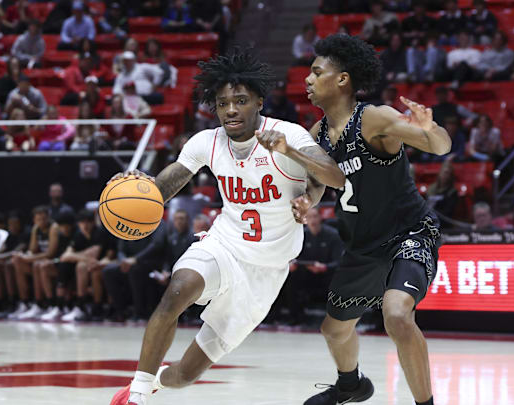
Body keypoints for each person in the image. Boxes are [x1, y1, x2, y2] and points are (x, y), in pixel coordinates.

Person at [109, 48, 345, 405]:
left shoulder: (289, 134)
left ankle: (156, 381)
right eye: (222, 104)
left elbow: (333, 177)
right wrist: (137, 191)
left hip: (266, 271)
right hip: (225, 245)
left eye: (240, 100)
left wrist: (305, 188)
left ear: (259, 102)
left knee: (183, 376)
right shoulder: (207, 141)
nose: (231, 109)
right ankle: (137, 394)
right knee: (178, 289)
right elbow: (168, 183)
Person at [303, 34, 451, 405]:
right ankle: (351, 385)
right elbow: (319, 184)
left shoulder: (374, 118)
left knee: (397, 314)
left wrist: (430, 128)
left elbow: (441, 147)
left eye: (316, 72)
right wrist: (305, 201)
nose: (307, 79)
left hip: (408, 232)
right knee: (334, 331)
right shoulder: (316, 135)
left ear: (342, 80)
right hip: (362, 245)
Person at [278, 207, 343, 325]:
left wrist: (325, 267)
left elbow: (339, 261)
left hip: (327, 275)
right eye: (308, 217)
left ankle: (338, 319)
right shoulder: (301, 235)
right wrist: (291, 264)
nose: (312, 220)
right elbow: (293, 257)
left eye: (314, 216)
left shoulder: (333, 235)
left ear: (321, 217)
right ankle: (295, 318)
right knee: (290, 278)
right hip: (306, 274)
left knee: (340, 279)